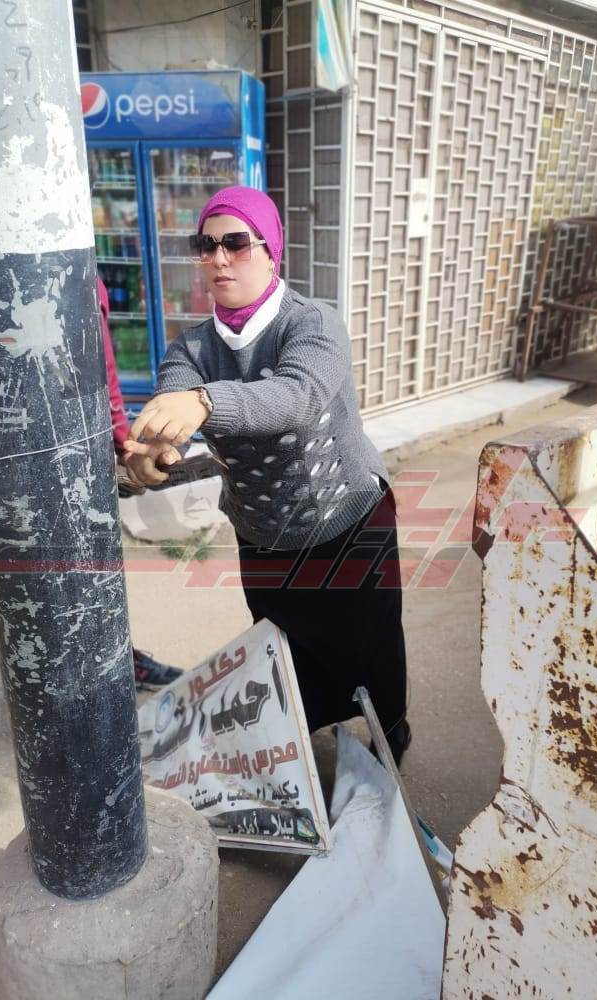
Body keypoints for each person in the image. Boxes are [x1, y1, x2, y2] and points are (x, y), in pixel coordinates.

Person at [123, 186, 411, 763]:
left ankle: (390, 734)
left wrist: (205, 403)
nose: (219, 259)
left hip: (346, 519)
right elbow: (172, 410)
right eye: (206, 246)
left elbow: (296, 396)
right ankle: (301, 734)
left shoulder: (312, 322)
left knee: (370, 647)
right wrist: (150, 457)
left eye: (236, 243)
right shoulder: (192, 347)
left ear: (271, 251)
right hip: (262, 532)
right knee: (284, 646)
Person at [0, 273, 179, 691]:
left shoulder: (83, 270)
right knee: (31, 587)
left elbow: (100, 369)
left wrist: (121, 442)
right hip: (10, 471)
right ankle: (43, 691)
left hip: (84, 462)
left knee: (95, 577)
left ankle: (118, 663)